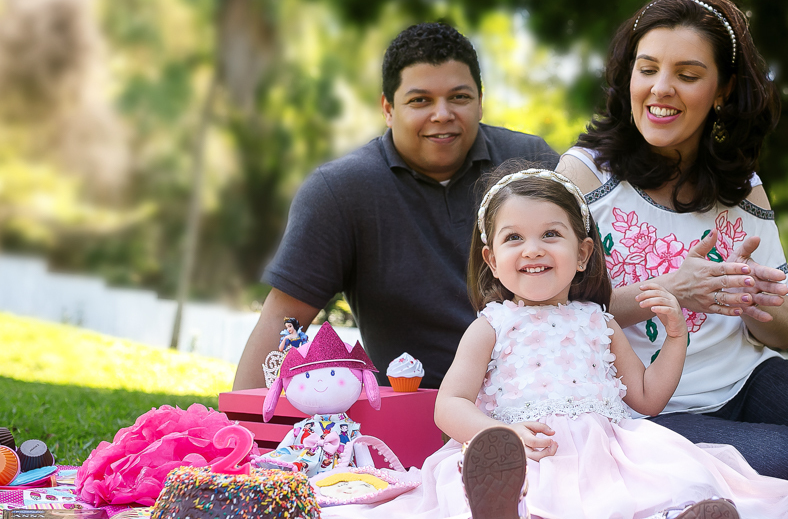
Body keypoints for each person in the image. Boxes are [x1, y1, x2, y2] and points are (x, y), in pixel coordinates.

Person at [324, 166, 788, 519]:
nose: (532, 249)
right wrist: (499, 434)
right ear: (492, 260)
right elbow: (448, 405)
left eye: (551, 235)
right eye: (514, 238)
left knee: (667, 482)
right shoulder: (490, 326)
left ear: (582, 254)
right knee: (516, 484)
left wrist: (676, 336)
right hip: (524, 449)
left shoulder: (600, 321)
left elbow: (647, 398)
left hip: (606, 452)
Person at [556, 0, 788, 490]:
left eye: (687, 75)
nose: (660, 88)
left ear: (722, 90)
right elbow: (550, 312)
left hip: (749, 380)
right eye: (647, 69)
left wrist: (755, 298)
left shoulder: (744, 187)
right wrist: (671, 290)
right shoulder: (585, 177)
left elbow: (787, 331)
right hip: (647, 408)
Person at [233, 23, 558, 391]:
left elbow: (593, 280)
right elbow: (284, 317)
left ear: (480, 101)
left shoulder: (532, 162)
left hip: (549, 396)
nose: (442, 114)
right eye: (420, 100)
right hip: (416, 411)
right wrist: (240, 431)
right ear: (388, 108)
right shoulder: (341, 191)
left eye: (459, 97)